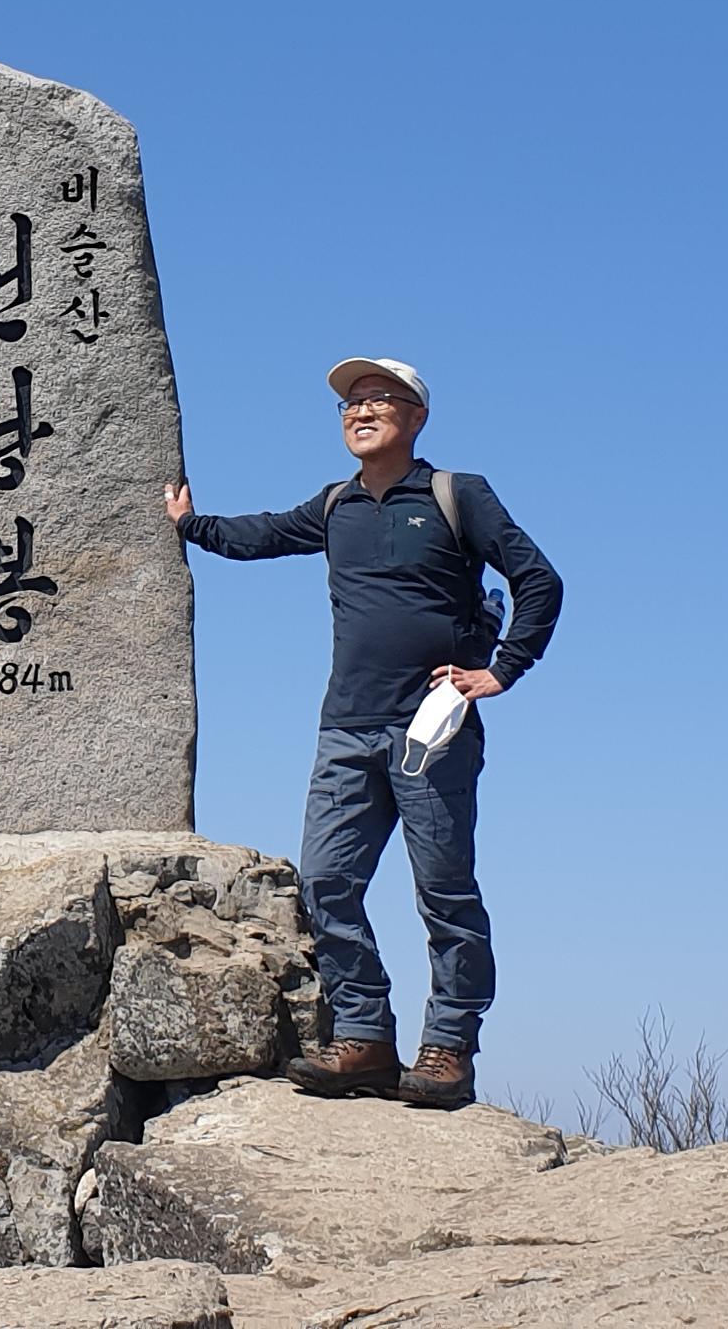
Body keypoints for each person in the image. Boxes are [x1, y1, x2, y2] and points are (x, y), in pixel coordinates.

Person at [166, 355, 563, 1110]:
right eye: (351, 402)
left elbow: (538, 579)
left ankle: (447, 1050)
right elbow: (261, 534)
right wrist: (190, 525)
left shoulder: (456, 495)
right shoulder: (336, 505)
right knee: (326, 882)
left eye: (380, 398)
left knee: (443, 891)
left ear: (417, 417)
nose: (361, 410)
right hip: (346, 726)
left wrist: (503, 670)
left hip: (432, 726)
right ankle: (365, 1038)